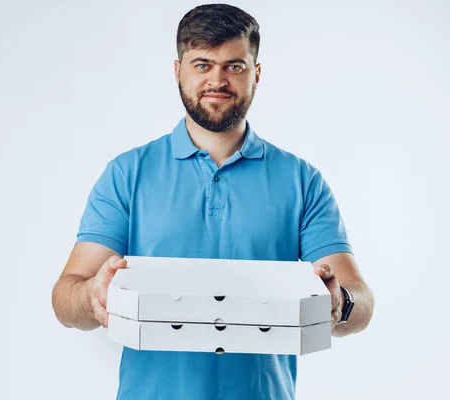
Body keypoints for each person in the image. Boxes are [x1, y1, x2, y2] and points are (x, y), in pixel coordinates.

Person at [52, 3, 374, 399]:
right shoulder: (127, 173)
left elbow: (360, 298)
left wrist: (338, 302)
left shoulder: (301, 180)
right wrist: (92, 296)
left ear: (256, 74)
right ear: (178, 72)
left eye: (234, 66)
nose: (217, 80)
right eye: (202, 64)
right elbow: (67, 294)